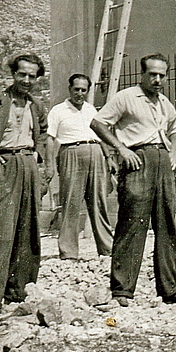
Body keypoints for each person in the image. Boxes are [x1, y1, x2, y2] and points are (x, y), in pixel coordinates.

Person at [89, 54, 176, 307]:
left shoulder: (165, 102)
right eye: (152, 74)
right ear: (142, 74)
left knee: (166, 224)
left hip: (162, 161)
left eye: (161, 75)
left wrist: (174, 153)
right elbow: (98, 123)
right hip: (138, 160)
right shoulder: (126, 97)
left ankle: (169, 289)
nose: (157, 80)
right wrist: (122, 149)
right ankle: (122, 290)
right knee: (132, 224)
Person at [0, 52, 49, 318]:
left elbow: (43, 133)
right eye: (21, 74)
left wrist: (38, 156)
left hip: (28, 164)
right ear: (12, 74)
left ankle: (17, 290)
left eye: (31, 76)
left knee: (28, 229)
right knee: (3, 231)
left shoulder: (37, 105)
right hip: (4, 163)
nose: (26, 80)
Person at [46, 74, 113, 261]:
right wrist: (50, 165)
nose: (80, 93)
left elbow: (101, 135)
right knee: (71, 203)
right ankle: (68, 252)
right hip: (71, 153)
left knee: (99, 202)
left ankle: (107, 249)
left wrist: (108, 157)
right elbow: (50, 139)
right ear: (70, 89)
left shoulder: (91, 109)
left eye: (84, 90)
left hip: (96, 152)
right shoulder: (58, 111)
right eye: (77, 89)